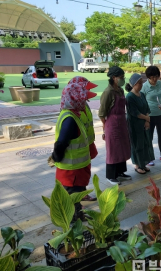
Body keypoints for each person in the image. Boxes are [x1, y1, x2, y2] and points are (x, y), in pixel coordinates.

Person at [50, 76, 98, 222]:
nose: (85, 101)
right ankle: (73, 220)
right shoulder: (70, 118)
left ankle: (77, 214)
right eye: (82, 98)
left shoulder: (73, 114)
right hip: (71, 169)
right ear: (75, 99)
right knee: (71, 195)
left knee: (75, 194)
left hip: (75, 167)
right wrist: (55, 157)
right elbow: (61, 142)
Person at [98, 66, 131, 185]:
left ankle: (120, 172)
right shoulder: (108, 92)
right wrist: (105, 126)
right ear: (114, 78)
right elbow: (102, 113)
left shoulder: (121, 90)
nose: (123, 80)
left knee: (122, 148)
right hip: (112, 125)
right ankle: (111, 175)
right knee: (113, 150)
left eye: (123, 77)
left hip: (122, 123)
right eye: (121, 77)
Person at [141, 66, 161, 167]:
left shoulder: (159, 83)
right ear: (148, 77)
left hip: (160, 114)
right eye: (152, 77)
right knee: (149, 137)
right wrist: (145, 117)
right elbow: (142, 102)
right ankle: (148, 158)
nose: (154, 79)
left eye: (156, 76)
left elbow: (160, 97)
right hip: (149, 115)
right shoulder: (144, 87)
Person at [126, 73, 155, 174]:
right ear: (134, 84)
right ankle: (138, 165)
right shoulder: (130, 97)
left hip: (144, 124)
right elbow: (135, 113)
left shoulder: (141, 94)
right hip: (135, 125)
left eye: (141, 83)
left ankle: (143, 164)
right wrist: (147, 118)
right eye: (139, 83)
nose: (141, 85)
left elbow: (146, 108)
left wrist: (147, 121)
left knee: (145, 144)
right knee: (137, 145)